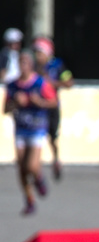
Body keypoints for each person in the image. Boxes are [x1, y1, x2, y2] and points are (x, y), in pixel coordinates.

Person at [5, 47, 54, 215]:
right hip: (21, 129)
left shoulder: (40, 83)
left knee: (31, 165)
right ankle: (29, 199)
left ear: (31, 64)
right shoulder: (13, 85)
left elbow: (53, 102)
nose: (23, 66)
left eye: (25, 62)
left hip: (37, 128)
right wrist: (15, 103)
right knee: (21, 167)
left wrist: (38, 102)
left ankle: (38, 177)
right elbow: (5, 109)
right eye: (20, 62)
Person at [32, 35, 68, 180]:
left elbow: (68, 82)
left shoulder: (57, 65)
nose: (37, 56)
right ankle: (35, 166)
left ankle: (56, 159)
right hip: (36, 108)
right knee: (35, 137)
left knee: (52, 137)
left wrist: (51, 82)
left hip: (52, 106)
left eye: (40, 53)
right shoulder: (33, 67)